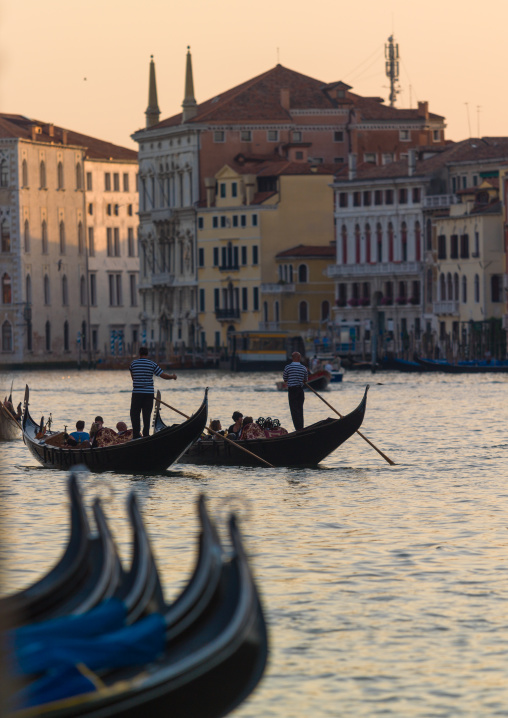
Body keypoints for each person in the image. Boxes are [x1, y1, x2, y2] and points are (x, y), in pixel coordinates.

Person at [129, 347, 177, 439]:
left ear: (139, 354)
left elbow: (133, 378)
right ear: (147, 354)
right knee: (146, 414)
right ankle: (146, 435)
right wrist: (172, 377)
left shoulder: (133, 364)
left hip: (137, 392)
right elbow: (163, 375)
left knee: (135, 414)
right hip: (148, 393)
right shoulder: (152, 364)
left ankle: (136, 436)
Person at [282, 351, 308, 431]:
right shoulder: (303, 368)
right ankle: (301, 427)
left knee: (294, 410)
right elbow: (306, 380)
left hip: (292, 390)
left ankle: (298, 429)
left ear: (292, 358)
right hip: (300, 390)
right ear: (299, 358)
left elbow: (285, 379)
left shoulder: (288, 367)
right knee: (300, 409)